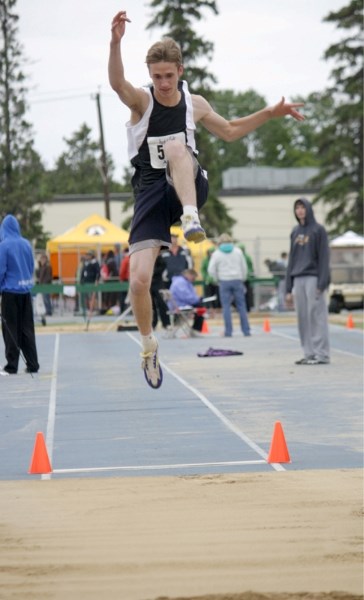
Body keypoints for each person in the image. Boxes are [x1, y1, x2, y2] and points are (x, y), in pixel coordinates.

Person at [108, 10, 304, 388]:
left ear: (180, 71)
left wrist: (270, 112)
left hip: (189, 188)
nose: (163, 84)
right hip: (149, 191)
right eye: (156, 77)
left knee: (179, 147)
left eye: (169, 75)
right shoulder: (142, 103)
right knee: (139, 281)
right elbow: (118, 84)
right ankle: (149, 348)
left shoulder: (192, 103)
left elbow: (230, 131)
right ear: (150, 75)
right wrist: (115, 43)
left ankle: (191, 218)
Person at [285, 198, 330, 365]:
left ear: (308, 209)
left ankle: (322, 354)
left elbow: (324, 257)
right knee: (302, 317)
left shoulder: (318, 230)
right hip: (298, 279)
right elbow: (292, 260)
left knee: (317, 316)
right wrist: (288, 288)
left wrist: (322, 282)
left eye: (303, 207)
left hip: (314, 278)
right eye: (297, 207)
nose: (300, 210)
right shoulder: (295, 231)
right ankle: (309, 353)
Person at [0, 215, 40, 375]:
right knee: (27, 329)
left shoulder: (3, 246)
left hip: (10, 292)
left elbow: (1, 270)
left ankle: (12, 365)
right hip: (25, 291)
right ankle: (32, 363)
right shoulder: (26, 244)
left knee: (10, 329)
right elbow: (31, 266)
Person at [208, 233, 251, 337]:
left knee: (226, 307)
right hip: (237, 280)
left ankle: (228, 331)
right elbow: (244, 267)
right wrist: (243, 278)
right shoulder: (238, 251)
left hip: (224, 281)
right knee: (241, 306)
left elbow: (211, 269)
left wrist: (216, 279)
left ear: (220, 242)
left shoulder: (217, 253)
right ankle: (246, 331)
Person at [151, 250, 170, 330]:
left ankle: (166, 323)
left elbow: (162, 268)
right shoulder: (148, 258)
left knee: (162, 304)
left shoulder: (161, 259)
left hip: (158, 283)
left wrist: (153, 271)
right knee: (151, 305)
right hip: (149, 284)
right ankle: (152, 324)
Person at [80, 249, 100, 317]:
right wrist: (81, 279)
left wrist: (97, 280)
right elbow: (83, 272)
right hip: (86, 282)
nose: (88, 256)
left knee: (93, 297)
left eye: (89, 255)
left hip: (92, 282)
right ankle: (89, 310)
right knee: (88, 297)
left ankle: (94, 310)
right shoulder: (86, 263)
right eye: (87, 255)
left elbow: (98, 273)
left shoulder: (95, 263)